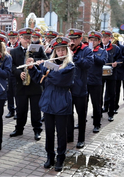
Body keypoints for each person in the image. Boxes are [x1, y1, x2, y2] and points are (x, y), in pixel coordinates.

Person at [28, 37, 75, 172]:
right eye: (58, 50)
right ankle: (50, 156)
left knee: (61, 133)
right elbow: (40, 80)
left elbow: (59, 79)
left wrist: (43, 67)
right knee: (49, 132)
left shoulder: (70, 66)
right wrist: (32, 69)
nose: (60, 52)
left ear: (66, 51)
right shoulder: (49, 64)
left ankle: (60, 158)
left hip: (61, 102)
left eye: (62, 50)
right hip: (48, 102)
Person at [10, 28, 47, 141]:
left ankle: (37, 130)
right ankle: (19, 129)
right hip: (21, 85)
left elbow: (45, 61)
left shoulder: (38, 48)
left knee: (36, 110)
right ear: (19, 38)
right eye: (25, 38)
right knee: (21, 109)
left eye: (29, 38)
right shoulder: (14, 51)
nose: (27, 40)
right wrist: (19, 73)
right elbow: (12, 67)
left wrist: (34, 60)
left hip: (35, 85)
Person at [66, 28, 94, 149]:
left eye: (75, 39)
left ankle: (81, 139)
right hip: (68, 87)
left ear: (80, 39)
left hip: (80, 88)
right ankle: (69, 136)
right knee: (68, 114)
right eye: (70, 39)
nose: (72, 41)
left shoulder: (86, 50)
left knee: (81, 115)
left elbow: (88, 64)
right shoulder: (67, 49)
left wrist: (74, 57)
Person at [86, 31, 107, 133]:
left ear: (99, 41)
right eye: (91, 40)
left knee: (96, 104)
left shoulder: (102, 51)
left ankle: (97, 124)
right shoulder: (85, 50)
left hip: (96, 82)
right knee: (83, 104)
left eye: (95, 40)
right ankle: (81, 121)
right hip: (84, 81)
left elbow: (102, 61)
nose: (92, 42)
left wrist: (92, 55)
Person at [100, 30, 122, 122]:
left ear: (110, 38)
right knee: (99, 94)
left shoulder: (115, 48)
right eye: (103, 37)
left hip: (111, 74)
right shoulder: (98, 47)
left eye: (106, 37)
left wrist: (116, 63)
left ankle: (111, 113)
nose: (104, 39)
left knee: (111, 94)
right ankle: (99, 112)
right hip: (100, 74)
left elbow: (120, 59)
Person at [5, 30, 19, 119]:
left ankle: (18, 111)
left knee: (16, 93)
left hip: (16, 72)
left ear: (17, 38)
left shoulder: (19, 47)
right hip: (8, 73)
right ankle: (11, 110)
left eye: (13, 38)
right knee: (9, 92)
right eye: (10, 38)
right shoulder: (7, 46)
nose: (12, 40)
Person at [114, 35, 124, 113]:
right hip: (114, 71)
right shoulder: (112, 48)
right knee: (112, 90)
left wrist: (120, 58)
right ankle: (108, 105)